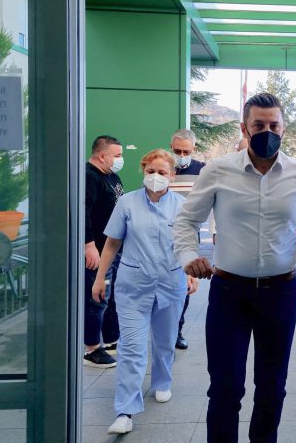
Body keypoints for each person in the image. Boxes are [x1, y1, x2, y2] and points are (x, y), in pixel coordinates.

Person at [173, 92, 296, 443]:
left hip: (280, 292)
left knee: (273, 388)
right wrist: (188, 257)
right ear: (244, 128)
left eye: (274, 125)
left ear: (284, 127)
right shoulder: (218, 170)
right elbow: (185, 221)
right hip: (229, 293)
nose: (267, 132)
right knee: (225, 388)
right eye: (258, 125)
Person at [92, 149, 188, 435]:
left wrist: (191, 273)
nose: (155, 176)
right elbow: (112, 243)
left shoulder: (182, 206)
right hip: (133, 286)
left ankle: (162, 381)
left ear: (172, 176)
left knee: (165, 341)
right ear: (143, 172)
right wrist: (100, 277)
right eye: (150, 171)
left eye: (162, 172)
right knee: (131, 349)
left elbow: (187, 244)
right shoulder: (127, 202)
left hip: (171, 283)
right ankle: (125, 410)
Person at [84, 135, 125, 368]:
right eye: (117, 155)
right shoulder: (89, 177)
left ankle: (110, 339)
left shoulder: (111, 176)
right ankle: (91, 349)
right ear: (102, 156)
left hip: (114, 250)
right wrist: (89, 246)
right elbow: (83, 213)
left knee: (111, 298)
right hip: (98, 251)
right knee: (96, 298)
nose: (120, 159)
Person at [170, 128, 203, 350]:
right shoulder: (163, 167)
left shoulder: (202, 170)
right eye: (177, 151)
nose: (181, 156)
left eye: (186, 152)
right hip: (162, 233)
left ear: (194, 149)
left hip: (189, 234)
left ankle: (177, 330)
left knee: (185, 282)